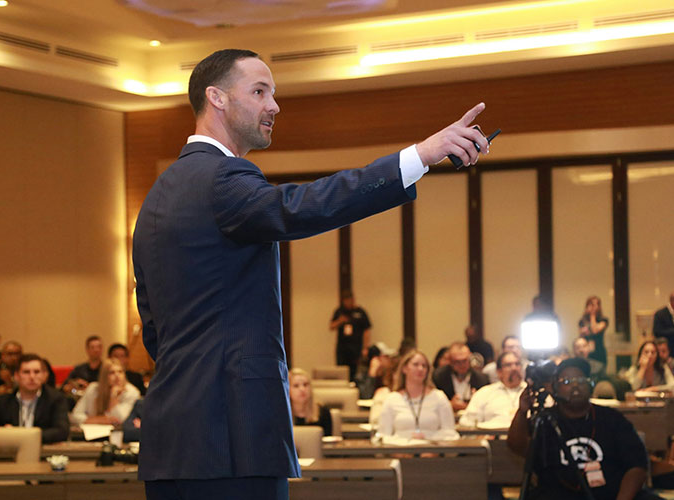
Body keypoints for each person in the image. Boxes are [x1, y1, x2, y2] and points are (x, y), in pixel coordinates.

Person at [132, 48, 490, 500]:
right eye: (259, 91)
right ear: (216, 98)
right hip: (234, 441)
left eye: (274, 94)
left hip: (172, 445)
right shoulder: (223, 178)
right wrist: (420, 155)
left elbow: (155, 331)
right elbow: (302, 207)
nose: (274, 106)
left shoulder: (155, 200)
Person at [508, 357, 662, 500]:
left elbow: (637, 465)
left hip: (609, 494)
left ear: (590, 385)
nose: (575, 385)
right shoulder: (546, 420)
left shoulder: (611, 418)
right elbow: (517, 446)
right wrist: (522, 412)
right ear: (555, 388)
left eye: (581, 380)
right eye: (567, 381)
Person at [0, 353, 69, 443]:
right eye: (26, 372)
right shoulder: (3, 402)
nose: (32, 377)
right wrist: (3, 432)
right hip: (10, 453)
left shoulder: (56, 399)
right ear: (17, 376)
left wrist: (21, 435)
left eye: (36, 372)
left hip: (42, 453)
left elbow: (62, 431)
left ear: (44, 375)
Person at [377, 350, 458, 443]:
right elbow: (383, 435)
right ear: (404, 368)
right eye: (415, 365)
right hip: (401, 449)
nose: (420, 369)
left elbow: (450, 432)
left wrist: (430, 440)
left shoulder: (439, 397)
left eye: (424, 366)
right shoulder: (392, 399)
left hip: (432, 449)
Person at [459, 351, 526, 428]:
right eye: (508, 365)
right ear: (499, 371)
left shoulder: (532, 392)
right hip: (492, 436)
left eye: (517, 364)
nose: (514, 368)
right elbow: (467, 421)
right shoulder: (485, 393)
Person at [71, 358, 140, 425]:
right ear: (104, 376)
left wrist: (113, 397)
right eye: (112, 373)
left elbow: (121, 419)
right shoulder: (93, 389)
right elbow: (75, 416)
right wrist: (100, 420)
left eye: (120, 372)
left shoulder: (131, 392)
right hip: (92, 432)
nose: (117, 376)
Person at [433, 342, 489, 411]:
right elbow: (433, 402)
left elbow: (488, 403)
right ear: (450, 361)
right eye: (457, 362)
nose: (462, 365)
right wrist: (449, 404)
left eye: (464, 361)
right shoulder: (439, 376)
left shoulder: (481, 379)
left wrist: (476, 402)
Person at [329, 290, 372, 381]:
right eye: (346, 300)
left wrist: (365, 347)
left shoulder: (360, 312)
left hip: (356, 347)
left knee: (355, 371)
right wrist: (340, 321)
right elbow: (331, 326)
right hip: (342, 347)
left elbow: (367, 330)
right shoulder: (339, 311)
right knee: (342, 370)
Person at [288, 368, 332, 436]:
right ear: (288, 390)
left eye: (305, 385)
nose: (302, 389)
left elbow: (328, 443)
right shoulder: (283, 415)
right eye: (296, 386)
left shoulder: (323, 412)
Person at [578, 295, 609, 366]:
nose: (594, 307)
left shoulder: (603, 320)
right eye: (591, 304)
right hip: (586, 353)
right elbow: (580, 336)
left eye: (596, 304)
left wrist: (593, 315)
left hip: (599, 353)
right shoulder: (582, 321)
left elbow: (595, 330)